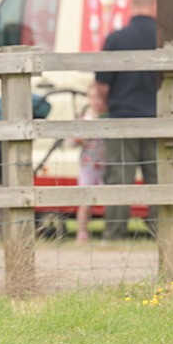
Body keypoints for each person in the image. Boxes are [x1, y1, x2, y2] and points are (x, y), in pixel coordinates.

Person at [94, 0, 160, 240]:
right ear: (154, 5)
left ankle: (114, 233)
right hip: (156, 120)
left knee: (119, 179)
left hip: (122, 119)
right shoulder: (162, 38)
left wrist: (108, 103)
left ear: (132, 5)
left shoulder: (116, 39)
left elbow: (102, 85)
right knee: (159, 179)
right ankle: (161, 231)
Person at [74, 80, 107, 244]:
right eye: (93, 98)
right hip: (88, 165)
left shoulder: (109, 118)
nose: (96, 102)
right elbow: (73, 140)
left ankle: (109, 229)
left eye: (100, 98)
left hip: (106, 164)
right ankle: (82, 232)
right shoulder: (85, 119)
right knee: (85, 199)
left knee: (108, 197)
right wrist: (80, 137)